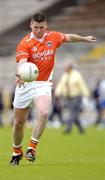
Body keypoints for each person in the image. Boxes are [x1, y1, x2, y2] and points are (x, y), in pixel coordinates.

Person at [10, 12, 96, 165]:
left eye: (41, 27)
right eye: (36, 27)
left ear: (46, 25)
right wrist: (21, 74)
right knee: (18, 123)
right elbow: (22, 62)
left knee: (44, 112)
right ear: (31, 25)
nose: (38, 31)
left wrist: (84, 39)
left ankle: (32, 147)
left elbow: (69, 37)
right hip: (25, 85)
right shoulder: (25, 43)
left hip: (42, 84)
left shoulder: (53, 37)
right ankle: (17, 151)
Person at [55, 62, 90, 134]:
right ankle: (81, 129)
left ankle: (68, 128)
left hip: (76, 97)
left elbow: (82, 84)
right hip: (67, 97)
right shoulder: (65, 75)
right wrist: (57, 92)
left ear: (70, 67)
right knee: (74, 114)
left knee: (72, 113)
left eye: (66, 67)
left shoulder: (77, 75)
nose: (64, 68)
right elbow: (61, 85)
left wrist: (86, 93)